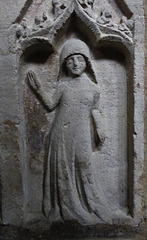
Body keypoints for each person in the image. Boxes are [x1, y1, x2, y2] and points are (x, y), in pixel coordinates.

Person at [27, 39, 127, 225]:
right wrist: (39, 89)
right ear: (64, 63)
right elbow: (50, 105)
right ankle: (68, 207)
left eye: (80, 60)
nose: (75, 64)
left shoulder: (93, 88)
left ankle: (92, 204)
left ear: (87, 62)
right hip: (61, 133)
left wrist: (100, 126)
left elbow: (95, 110)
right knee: (64, 169)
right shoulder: (63, 86)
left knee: (84, 164)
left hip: (81, 134)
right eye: (70, 60)